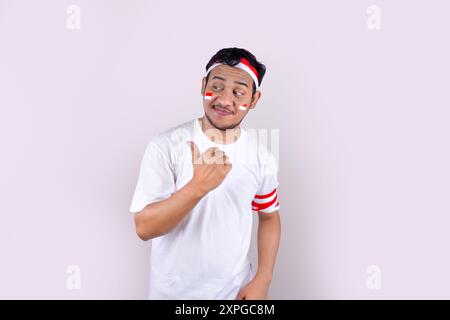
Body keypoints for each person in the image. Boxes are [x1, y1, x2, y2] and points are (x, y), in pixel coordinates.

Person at [129, 47, 281, 299]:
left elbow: (269, 217)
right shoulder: (166, 145)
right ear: (203, 86)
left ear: (253, 100)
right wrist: (197, 187)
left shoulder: (261, 156)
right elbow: (144, 228)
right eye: (217, 87)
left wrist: (263, 279)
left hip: (235, 295)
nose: (224, 100)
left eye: (238, 92)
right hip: (173, 295)